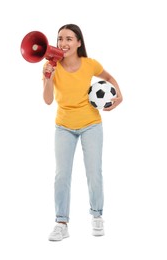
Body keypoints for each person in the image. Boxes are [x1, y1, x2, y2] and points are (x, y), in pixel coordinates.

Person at [42, 24, 123, 241]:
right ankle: (61, 222)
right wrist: (48, 77)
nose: (63, 43)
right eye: (60, 39)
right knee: (62, 176)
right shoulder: (51, 66)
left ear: (79, 42)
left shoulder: (90, 64)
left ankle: (97, 216)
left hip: (91, 124)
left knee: (94, 173)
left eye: (69, 39)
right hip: (63, 126)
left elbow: (109, 77)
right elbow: (48, 100)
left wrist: (119, 95)